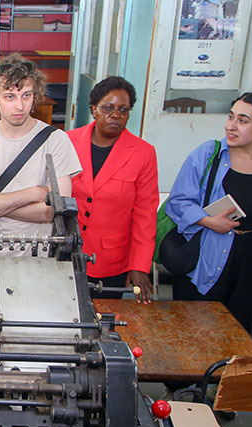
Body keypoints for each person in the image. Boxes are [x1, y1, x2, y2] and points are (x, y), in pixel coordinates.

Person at [165, 92, 252, 333]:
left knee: (239, 331)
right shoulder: (209, 154)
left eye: (243, 121)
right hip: (208, 252)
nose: (231, 126)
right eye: (231, 117)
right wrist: (209, 221)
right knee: (195, 329)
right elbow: (178, 202)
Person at [0, 53, 81, 256]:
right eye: (10, 97)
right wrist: (32, 194)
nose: (20, 106)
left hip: (38, 255)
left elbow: (54, 211)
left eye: (26, 95)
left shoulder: (56, 141)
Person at [67, 76, 159, 302]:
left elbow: (145, 215)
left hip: (110, 261)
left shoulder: (143, 153)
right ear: (94, 109)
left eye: (123, 110)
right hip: (66, 253)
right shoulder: (67, 142)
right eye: (108, 108)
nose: (116, 115)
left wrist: (139, 266)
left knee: (106, 317)